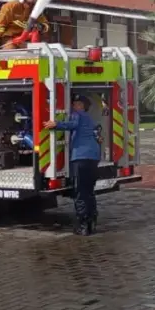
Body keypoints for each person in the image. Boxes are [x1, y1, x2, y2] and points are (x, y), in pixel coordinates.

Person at [45, 94, 102, 236]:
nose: (73, 106)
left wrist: (56, 124)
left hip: (80, 158)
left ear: (81, 106)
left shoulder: (78, 115)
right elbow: (97, 135)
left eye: (75, 104)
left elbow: (72, 125)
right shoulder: (90, 119)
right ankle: (91, 223)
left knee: (80, 193)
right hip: (93, 157)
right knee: (89, 192)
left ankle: (83, 226)